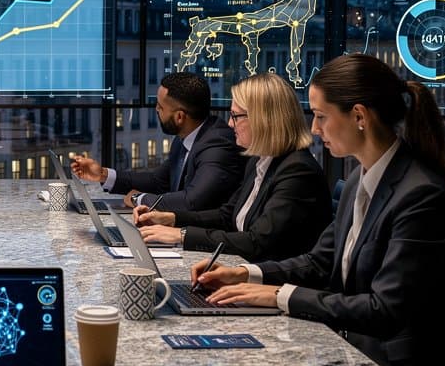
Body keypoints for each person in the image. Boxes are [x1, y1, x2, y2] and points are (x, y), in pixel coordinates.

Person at [194, 54, 445, 366]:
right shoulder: (357, 180)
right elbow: (318, 262)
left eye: (321, 116)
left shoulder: (421, 195)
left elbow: (384, 310)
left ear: (359, 116)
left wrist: (279, 296)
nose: (314, 128)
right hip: (353, 350)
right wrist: (246, 274)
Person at [135, 72, 330, 261]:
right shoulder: (260, 159)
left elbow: (257, 242)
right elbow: (227, 216)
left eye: (235, 116)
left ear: (263, 119)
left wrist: (182, 235)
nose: (229, 123)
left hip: (274, 283)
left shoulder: (297, 171)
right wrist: (171, 218)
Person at [71, 72, 245, 212]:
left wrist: (138, 199)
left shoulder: (217, 146)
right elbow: (158, 181)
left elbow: (191, 201)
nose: (156, 110)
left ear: (179, 117)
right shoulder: (186, 138)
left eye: (160, 107)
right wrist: (102, 174)